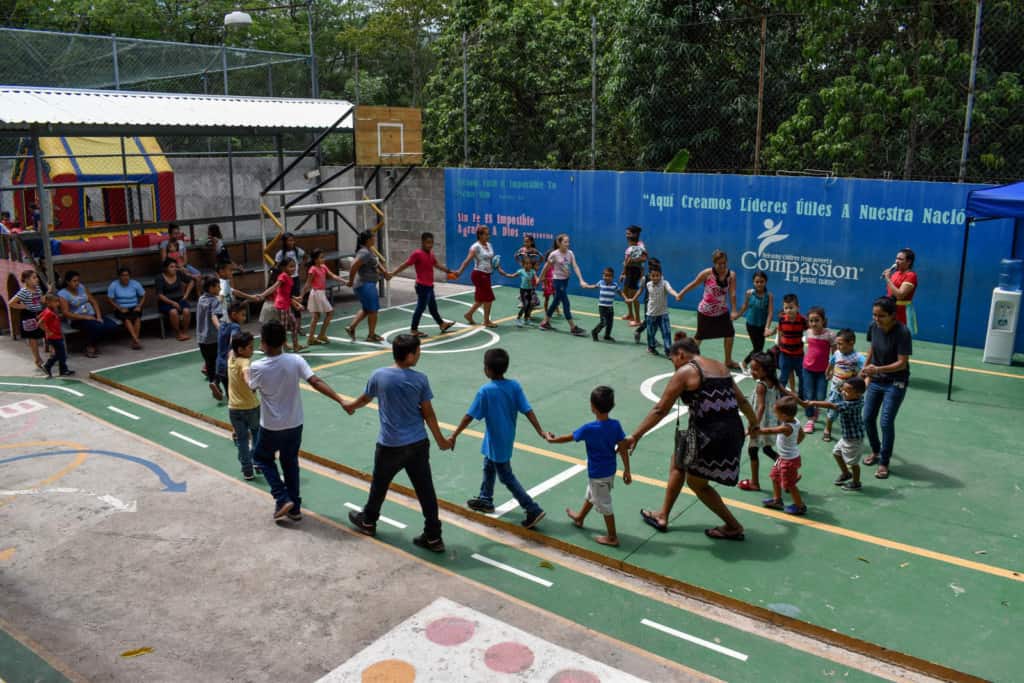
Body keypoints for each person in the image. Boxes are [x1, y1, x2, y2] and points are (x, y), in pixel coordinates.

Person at [619, 332, 759, 540]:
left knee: (697, 483)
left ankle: (733, 526)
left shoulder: (686, 371)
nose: (673, 364)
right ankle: (662, 515)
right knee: (678, 462)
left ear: (681, 354)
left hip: (709, 434)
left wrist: (635, 435)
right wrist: (754, 423)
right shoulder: (720, 367)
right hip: (731, 430)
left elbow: (660, 410)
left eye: (673, 359)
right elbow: (743, 402)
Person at [345, 334, 452, 552]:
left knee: (380, 486)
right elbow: (428, 414)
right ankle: (433, 536)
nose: (419, 355)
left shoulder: (379, 375)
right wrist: (441, 440)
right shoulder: (420, 379)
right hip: (417, 444)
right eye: (418, 351)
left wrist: (351, 406)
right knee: (425, 490)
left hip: (390, 445)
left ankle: (368, 521)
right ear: (410, 355)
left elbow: (365, 398)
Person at [248, 320, 346, 521]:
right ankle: (294, 507)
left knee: (261, 458)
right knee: (290, 462)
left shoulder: (257, 366)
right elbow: (316, 381)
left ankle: (281, 497)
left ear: (264, 343)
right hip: (295, 424)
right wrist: (340, 400)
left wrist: (243, 373)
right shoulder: (295, 360)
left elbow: (251, 387)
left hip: (271, 426)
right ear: (284, 341)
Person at [449, 348, 550, 529]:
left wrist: (454, 434)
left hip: (496, 439)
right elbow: (527, 410)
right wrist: (540, 431)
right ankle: (485, 498)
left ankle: (532, 508)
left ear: (487, 369)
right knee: (488, 465)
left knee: (506, 476)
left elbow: (469, 416)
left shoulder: (486, 391)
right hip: (504, 437)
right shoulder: (514, 386)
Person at [548, 386, 630, 547]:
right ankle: (579, 518)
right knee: (592, 494)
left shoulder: (589, 429)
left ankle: (612, 537)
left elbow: (570, 437)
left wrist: (553, 439)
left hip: (597, 473)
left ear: (593, 407)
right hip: (610, 471)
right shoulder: (616, 425)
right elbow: (623, 448)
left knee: (604, 504)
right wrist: (627, 470)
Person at [861, 296, 912, 480]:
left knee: (885, 422)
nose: (876, 319)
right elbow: (872, 349)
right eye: (874, 315)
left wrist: (877, 369)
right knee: (867, 418)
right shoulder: (873, 327)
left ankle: (884, 461)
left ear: (892, 315)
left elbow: (902, 364)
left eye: (881, 315)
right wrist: (865, 370)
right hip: (876, 379)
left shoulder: (903, 332)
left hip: (895, 382)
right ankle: (875, 451)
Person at [676, 250, 740, 370]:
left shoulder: (731, 275)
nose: (722, 266)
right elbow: (694, 284)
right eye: (719, 263)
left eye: (724, 263)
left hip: (722, 311)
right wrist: (681, 293)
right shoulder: (707, 273)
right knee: (699, 337)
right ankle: (688, 360)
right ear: (714, 263)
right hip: (705, 311)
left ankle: (728, 361)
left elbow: (732, 293)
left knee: (730, 333)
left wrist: (734, 310)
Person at [738, 352, 789, 492]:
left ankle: (755, 483)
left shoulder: (761, 385)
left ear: (765, 370)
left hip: (760, 423)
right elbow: (787, 392)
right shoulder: (773, 381)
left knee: (752, 450)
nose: (752, 372)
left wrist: (754, 425)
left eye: (755, 369)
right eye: (751, 368)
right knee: (767, 449)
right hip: (771, 422)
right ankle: (790, 473)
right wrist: (802, 402)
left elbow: (760, 407)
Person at [804, 377, 867, 491]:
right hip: (847, 436)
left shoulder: (849, 405)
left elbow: (832, 406)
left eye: (847, 391)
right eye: (843, 390)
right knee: (836, 453)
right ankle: (846, 473)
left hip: (853, 439)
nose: (843, 392)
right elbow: (850, 387)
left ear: (857, 394)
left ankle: (856, 482)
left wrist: (813, 402)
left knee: (853, 463)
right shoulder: (859, 398)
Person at [388, 232, 455, 337]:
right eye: (428, 243)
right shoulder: (417, 254)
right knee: (420, 308)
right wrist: (393, 273)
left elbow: (437, 264)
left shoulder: (431, 254)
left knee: (433, 307)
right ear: (422, 242)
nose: (430, 245)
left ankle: (442, 324)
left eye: (432, 243)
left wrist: (448, 271)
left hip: (429, 286)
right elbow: (405, 264)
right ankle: (414, 329)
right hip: (422, 286)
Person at [756, 395, 807, 515]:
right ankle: (777, 500)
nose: (775, 415)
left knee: (790, 485)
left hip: (788, 461)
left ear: (784, 415)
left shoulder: (786, 427)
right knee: (775, 477)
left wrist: (756, 430)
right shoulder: (796, 421)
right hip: (783, 458)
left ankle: (800, 506)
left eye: (776, 413)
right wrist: (795, 443)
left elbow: (770, 431)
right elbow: (802, 435)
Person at [538, 233, 589, 336]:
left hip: (565, 281)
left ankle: (545, 323)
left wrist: (581, 280)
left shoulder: (570, 253)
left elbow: (575, 266)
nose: (567, 244)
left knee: (556, 302)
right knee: (566, 302)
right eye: (565, 242)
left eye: (568, 242)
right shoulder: (554, 254)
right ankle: (573, 327)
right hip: (557, 281)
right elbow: (546, 267)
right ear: (559, 243)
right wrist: (539, 279)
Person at [57, 270, 117, 359]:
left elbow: (94, 302)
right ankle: (89, 346)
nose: (77, 283)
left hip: (92, 315)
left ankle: (93, 343)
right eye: (74, 281)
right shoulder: (63, 294)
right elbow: (66, 313)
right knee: (98, 327)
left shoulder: (82, 287)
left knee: (112, 326)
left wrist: (99, 316)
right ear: (67, 282)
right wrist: (85, 317)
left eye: (78, 280)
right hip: (77, 319)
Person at [227, 331, 261, 480]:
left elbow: (230, 349)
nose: (252, 350)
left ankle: (247, 470)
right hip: (251, 407)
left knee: (241, 439)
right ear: (240, 350)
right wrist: (252, 385)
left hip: (234, 408)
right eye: (249, 347)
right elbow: (247, 375)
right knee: (256, 435)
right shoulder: (245, 362)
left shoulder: (231, 356)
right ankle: (257, 462)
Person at [346, 231, 389, 342]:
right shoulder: (364, 252)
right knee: (373, 310)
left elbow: (376, 263)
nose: (375, 239)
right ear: (368, 240)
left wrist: (384, 273)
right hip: (365, 285)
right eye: (373, 237)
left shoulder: (369, 251)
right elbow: (354, 266)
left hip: (367, 285)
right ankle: (371, 335)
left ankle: (351, 328)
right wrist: (350, 281)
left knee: (366, 309)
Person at [626, 262, 678, 356]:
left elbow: (670, 290)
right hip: (651, 314)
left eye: (657, 275)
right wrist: (633, 299)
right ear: (650, 276)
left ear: (661, 275)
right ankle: (651, 347)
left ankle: (668, 351)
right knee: (651, 333)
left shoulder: (665, 283)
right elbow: (642, 291)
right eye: (653, 276)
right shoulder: (648, 284)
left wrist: (676, 295)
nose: (655, 278)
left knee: (666, 333)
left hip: (663, 314)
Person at [453, 226, 500, 328]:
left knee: (481, 299)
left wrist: (500, 270)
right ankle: (486, 321)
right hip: (479, 275)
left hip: (486, 275)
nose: (488, 236)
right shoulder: (475, 247)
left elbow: (492, 261)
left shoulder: (489, 245)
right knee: (488, 298)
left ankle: (468, 315)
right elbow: (467, 261)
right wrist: (459, 272)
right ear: (480, 235)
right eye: (486, 234)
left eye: (489, 234)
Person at [822, 329, 864, 442]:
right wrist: (828, 371)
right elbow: (831, 362)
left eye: (840, 344)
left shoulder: (858, 357)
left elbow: (864, 369)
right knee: (832, 410)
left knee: (849, 412)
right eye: (837, 344)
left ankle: (847, 433)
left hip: (850, 392)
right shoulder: (837, 353)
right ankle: (827, 428)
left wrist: (858, 379)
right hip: (836, 389)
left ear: (851, 342)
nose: (838, 346)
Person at [801, 306, 836, 433]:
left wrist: (831, 368)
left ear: (823, 321)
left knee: (820, 396)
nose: (814, 323)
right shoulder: (808, 332)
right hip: (808, 369)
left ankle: (816, 408)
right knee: (809, 394)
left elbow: (835, 353)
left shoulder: (830, 335)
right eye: (811, 321)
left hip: (823, 371)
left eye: (817, 320)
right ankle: (810, 419)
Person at [301, 248, 345, 346]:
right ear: (315, 259)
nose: (323, 259)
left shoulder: (323, 267)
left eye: (323, 257)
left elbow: (333, 276)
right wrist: (302, 296)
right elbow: (308, 284)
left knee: (316, 316)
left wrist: (344, 281)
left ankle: (312, 338)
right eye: (321, 258)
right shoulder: (312, 269)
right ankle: (320, 335)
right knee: (329, 313)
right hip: (317, 294)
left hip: (321, 293)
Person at [734, 270, 773, 371]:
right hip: (751, 325)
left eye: (762, 281)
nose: (759, 284)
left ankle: (752, 365)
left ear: (766, 282)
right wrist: (737, 315)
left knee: (759, 348)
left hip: (762, 325)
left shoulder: (769, 296)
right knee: (758, 348)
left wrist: (767, 328)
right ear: (753, 282)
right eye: (757, 282)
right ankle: (744, 363)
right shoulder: (749, 293)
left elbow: (770, 313)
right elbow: (744, 306)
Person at [769, 293, 806, 395]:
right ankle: (780, 397)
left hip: (799, 355)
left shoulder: (803, 320)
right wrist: (780, 347)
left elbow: (810, 331)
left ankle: (801, 396)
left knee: (802, 377)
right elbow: (780, 333)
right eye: (786, 308)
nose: (788, 310)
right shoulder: (782, 320)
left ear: (797, 307)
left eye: (791, 307)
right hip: (785, 355)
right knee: (783, 378)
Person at [9, 269, 46, 369]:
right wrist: (24, 306)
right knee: (32, 337)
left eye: (36, 277)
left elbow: (42, 299)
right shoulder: (24, 291)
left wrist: (47, 293)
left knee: (45, 332)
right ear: (26, 280)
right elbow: (11, 303)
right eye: (33, 278)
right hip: (28, 315)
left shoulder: (38, 288)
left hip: (39, 313)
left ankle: (52, 353)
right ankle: (37, 358)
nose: (36, 280)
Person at [196, 276, 225, 400]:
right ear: (211, 288)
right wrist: (220, 329)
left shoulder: (201, 299)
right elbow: (215, 316)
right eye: (217, 286)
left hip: (201, 338)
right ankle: (216, 382)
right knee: (220, 362)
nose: (219, 288)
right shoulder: (215, 301)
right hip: (213, 337)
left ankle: (213, 382)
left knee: (209, 363)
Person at [266, 258, 303, 352]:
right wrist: (263, 295)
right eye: (291, 266)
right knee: (283, 328)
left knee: (294, 324)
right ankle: (280, 348)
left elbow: (287, 294)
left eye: (294, 266)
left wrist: (296, 300)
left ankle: (295, 345)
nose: (293, 269)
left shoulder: (289, 278)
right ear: (283, 267)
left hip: (287, 306)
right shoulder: (283, 276)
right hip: (282, 306)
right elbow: (274, 287)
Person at [107, 267, 146, 350]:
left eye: (127, 275)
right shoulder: (114, 285)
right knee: (127, 319)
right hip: (121, 308)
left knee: (137, 318)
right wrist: (119, 308)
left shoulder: (135, 283)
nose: (125, 277)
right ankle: (136, 339)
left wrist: (139, 306)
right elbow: (110, 299)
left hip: (134, 306)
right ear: (119, 277)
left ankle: (135, 341)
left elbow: (143, 295)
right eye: (123, 275)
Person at [155, 258, 193, 341]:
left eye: (175, 266)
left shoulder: (179, 273)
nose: (174, 269)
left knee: (186, 311)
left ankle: (185, 332)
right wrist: (172, 303)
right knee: (173, 312)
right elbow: (160, 295)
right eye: (171, 267)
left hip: (180, 299)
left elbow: (191, 281)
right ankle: (178, 333)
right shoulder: (159, 278)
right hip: (165, 302)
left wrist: (186, 295)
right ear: (165, 268)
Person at [882, 248, 918, 334]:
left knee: (901, 337)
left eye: (900, 259)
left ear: (909, 262)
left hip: (902, 312)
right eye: (896, 258)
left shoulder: (911, 276)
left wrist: (887, 279)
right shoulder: (895, 273)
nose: (897, 261)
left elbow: (900, 295)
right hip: (890, 309)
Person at [216, 302, 247, 399]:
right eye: (242, 315)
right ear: (234, 315)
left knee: (229, 393)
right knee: (236, 394)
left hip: (219, 365)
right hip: (229, 365)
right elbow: (233, 339)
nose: (244, 318)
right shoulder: (235, 327)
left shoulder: (222, 326)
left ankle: (216, 383)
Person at [38, 294, 73, 378]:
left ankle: (63, 370)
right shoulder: (49, 313)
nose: (58, 303)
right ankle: (47, 365)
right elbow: (40, 323)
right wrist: (48, 331)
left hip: (57, 335)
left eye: (58, 301)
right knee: (60, 354)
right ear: (49, 303)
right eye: (55, 302)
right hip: (54, 337)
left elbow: (39, 317)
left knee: (61, 353)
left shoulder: (51, 311)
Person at [583, 267, 622, 341]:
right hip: (602, 307)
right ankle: (595, 332)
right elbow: (594, 286)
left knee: (610, 323)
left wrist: (626, 299)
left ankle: (607, 336)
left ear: (612, 277)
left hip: (610, 307)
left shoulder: (615, 285)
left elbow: (620, 292)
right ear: (603, 276)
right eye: (605, 275)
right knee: (603, 322)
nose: (607, 277)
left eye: (609, 276)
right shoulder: (601, 282)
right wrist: (586, 286)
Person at [619, 225, 647, 326]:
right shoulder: (630, 244)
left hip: (635, 272)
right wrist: (623, 273)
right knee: (625, 293)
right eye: (626, 233)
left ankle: (638, 320)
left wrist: (634, 260)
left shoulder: (640, 245)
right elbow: (626, 261)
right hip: (629, 271)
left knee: (633, 296)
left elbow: (644, 258)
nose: (626, 235)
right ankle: (630, 314)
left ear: (635, 234)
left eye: (628, 233)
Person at [160, 223, 201, 289]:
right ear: (170, 234)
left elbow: (185, 259)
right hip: (173, 267)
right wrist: (177, 267)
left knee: (199, 275)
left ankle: (199, 297)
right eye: (175, 233)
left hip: (183, 265)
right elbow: (164, 260)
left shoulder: (181, 243)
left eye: (178, 233)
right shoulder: (164, 244)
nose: (177, 235)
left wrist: (182, 266)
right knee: (190, 278)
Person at [502, 257, 539, 327]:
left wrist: (537, 280)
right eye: (526, 264)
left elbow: (536, 277)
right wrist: (505, 274)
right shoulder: (521, 271)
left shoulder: (532, 271)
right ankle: (518, 319)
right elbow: (512, 275)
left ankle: (526, 319)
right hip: (523, 290)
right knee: (525, 305)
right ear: (523, 265)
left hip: (530, 290)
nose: (528, 265)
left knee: (529, 305)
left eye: (530, 264)